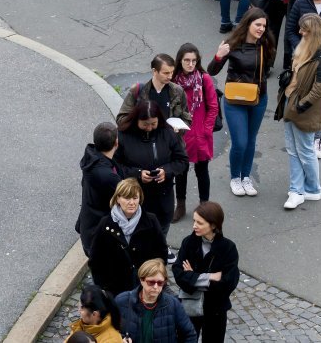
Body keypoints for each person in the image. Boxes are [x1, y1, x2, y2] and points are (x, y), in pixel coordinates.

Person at [208, 8, 274, 196]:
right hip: (235, 100)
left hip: (258, 99)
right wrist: (219, 56)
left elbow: (266, 70)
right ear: (248, 24)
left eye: (264, 26)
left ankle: (246, 177)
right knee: (240, 142)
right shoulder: (233, 44)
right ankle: (235, 178)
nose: (261, 29)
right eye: (258, 25)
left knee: (251, 140)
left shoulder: (266, 44)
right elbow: (212, 71)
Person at [277, 14, 321, 209]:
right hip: (292, 100)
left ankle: (310, 189)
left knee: (304, 150)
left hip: (304, 107)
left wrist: (301, 105)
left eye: (304, 29)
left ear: (314, 31)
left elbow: (320, 88)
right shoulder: (307, 46)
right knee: (293, 149)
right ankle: (297, 189)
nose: (300, 32)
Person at [114, 101, 188, 238]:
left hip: (163, 199)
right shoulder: (124, 136)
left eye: (153, 124)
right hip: (135, 200)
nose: (149, 128)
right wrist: (137, 174)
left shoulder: (168, 133)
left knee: (161, 235)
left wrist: (166, 171)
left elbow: (182, 160)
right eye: (145, 124)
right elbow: (115, 165)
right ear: (136, 120)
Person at [173, 202, 239, 343]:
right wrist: (211, 277)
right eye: (194, 221)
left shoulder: (228, 248)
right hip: (190, 305)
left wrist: (193, 277)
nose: (194, 226)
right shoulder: (188, 243)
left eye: (199, 223)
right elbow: (179, 274)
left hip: (216, 309)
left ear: (213, 225)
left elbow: (228, 282)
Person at [89, 178, 168, 297]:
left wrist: (152, 280)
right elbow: (95, 260)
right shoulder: (105, 224)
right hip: (115, 290)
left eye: (135, 198)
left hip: (145, 288)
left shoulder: (151, 221)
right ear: (118, 199)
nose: (132, 202)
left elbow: (161, 253)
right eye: (127, 198)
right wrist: (104, 287)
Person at [172, 45, 219, 222]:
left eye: (194, 60)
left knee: (202, 170)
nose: (191, 64)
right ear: (180, 61)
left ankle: (204, 207)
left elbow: (213, 107)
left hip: (200, 133)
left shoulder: (204, 79)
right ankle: (181, 205)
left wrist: (206, 129)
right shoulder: (174, 80)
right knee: (180, 171)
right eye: (187, 60)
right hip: (180, 133)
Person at [116, 258, 197, 343]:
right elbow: (109, 330)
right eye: (151, 282)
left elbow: (190, 335)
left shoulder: (173, 304)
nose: (155, 287)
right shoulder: (122, 301)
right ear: (141, 280)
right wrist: (119, 340)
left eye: (160, 283)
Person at [77, 122, 127, 256]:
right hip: (101, 236)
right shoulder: (108, 176)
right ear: (116, 142)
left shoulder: (92, 159)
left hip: (89, 229)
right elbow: (125, 197)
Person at [117, 54, 193, 130]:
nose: (170, 76)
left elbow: (187, 119)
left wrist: (177, 131)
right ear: (154, 71)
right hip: (143, 137)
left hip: (168, 137)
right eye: (166, 73)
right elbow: (121, 119)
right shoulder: (138, 90)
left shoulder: (178, 91)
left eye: (172, 72)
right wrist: (141, 124)